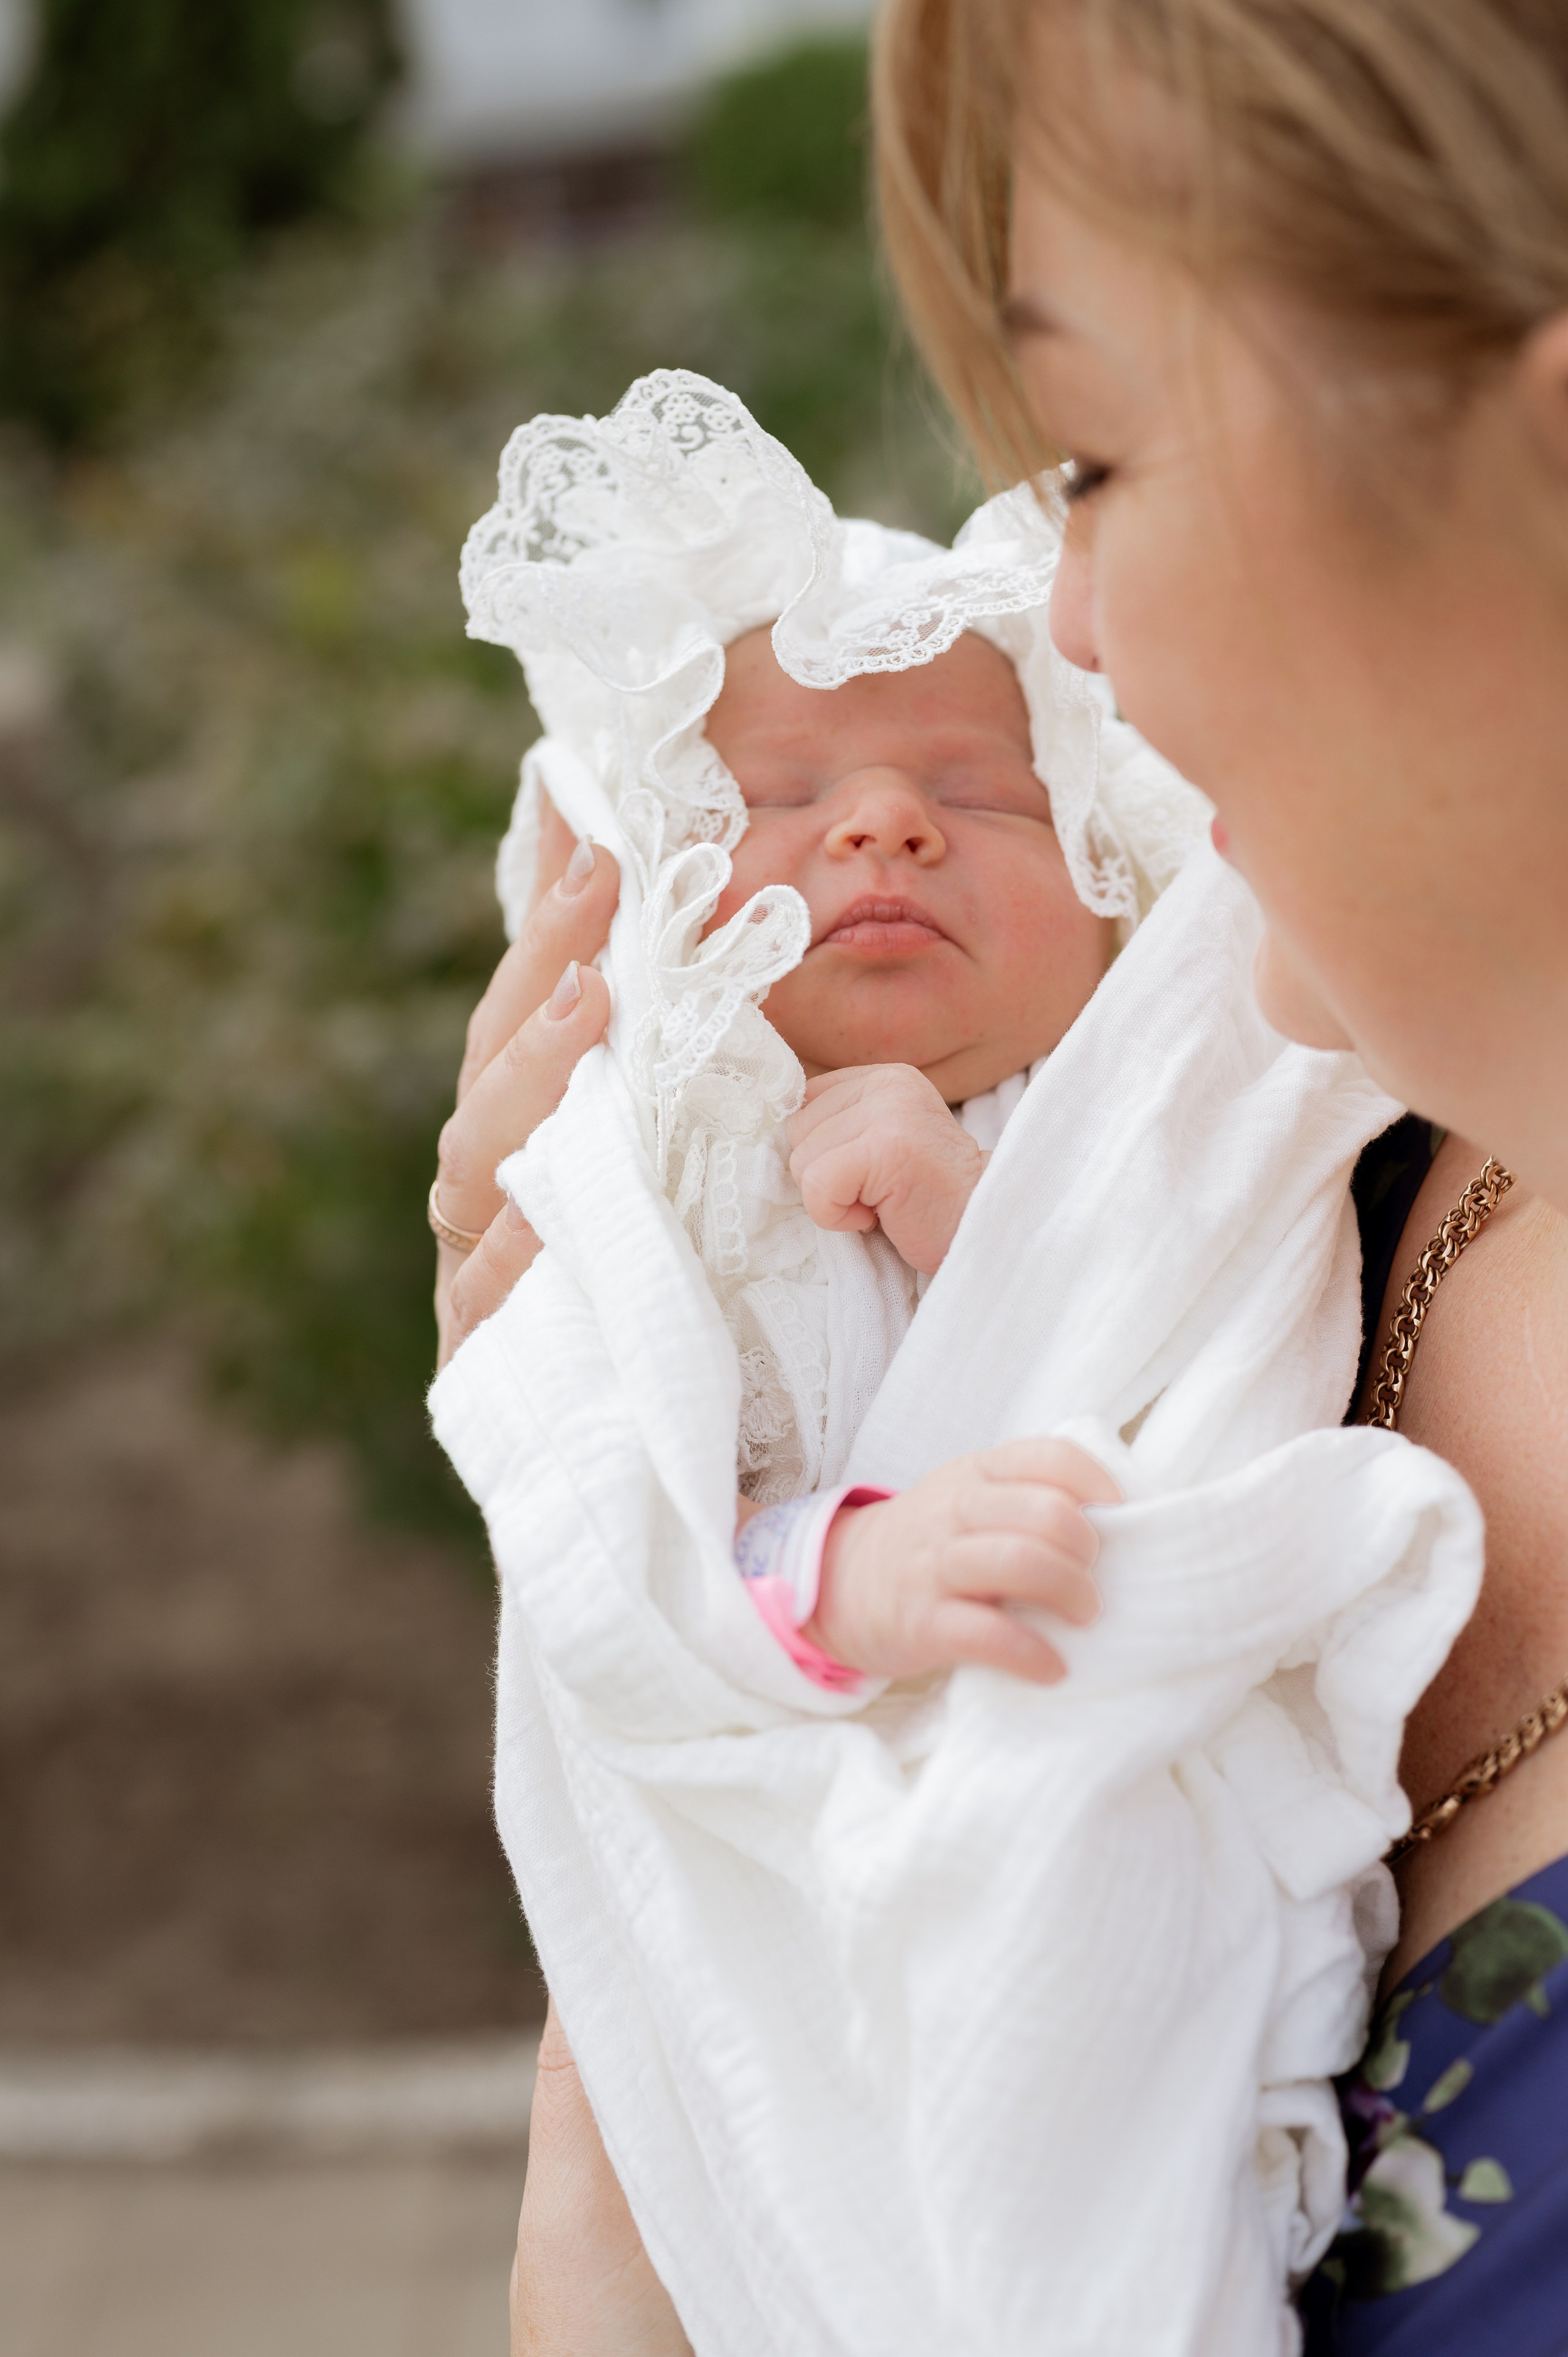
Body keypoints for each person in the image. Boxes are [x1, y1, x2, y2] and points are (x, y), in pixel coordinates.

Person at [439, 4, 1568, 2348]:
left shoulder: (1224, 1158)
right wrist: (617, 1460)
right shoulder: (1322, 1137)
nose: (1065, 621)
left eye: (1101, 459)